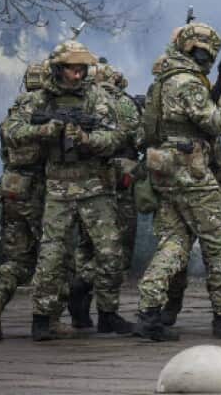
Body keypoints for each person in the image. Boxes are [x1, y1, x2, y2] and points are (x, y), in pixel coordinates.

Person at [133, 22, 221, 341]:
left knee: (174, 243)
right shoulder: (188, 82)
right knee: (220, 242)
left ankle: (149, 312)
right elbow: (216, 123)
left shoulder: (166, 79)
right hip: (191, 171)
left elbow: (200, 120)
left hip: (167, 170)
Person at [2, 41, 135, 341]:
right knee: (52, 255)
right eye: (73, 69)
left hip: (95, 187)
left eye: (82, 69)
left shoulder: (97, 97)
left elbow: (116, 137)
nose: (78, 75)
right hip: (58, 188)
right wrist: (43, 130)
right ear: (58, 69)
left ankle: (108, 314)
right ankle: (42, 318)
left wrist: (87, 139)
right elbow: (10, 131)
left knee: (111, 252)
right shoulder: (39, 100)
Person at [0, 63, 74, 339]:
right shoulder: (50, 112)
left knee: (17, 260)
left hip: (11, 188)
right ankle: (50, 318)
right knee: (55, 256)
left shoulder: (14, 114)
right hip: (40, 192)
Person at [68, 62, 142, 329]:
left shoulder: (80, 101)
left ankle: (80, 309)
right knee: (116, 250)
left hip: (83, 183)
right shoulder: (121, 102)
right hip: (117, 181)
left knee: (86, 245)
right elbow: (139, 137)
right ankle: (102, 307)